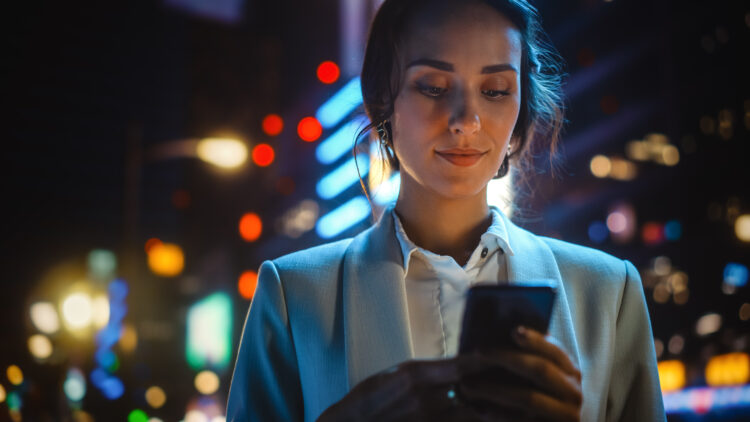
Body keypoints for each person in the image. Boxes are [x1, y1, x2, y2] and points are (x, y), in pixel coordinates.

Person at [226, 0, 666, 420]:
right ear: (383, 101)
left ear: (520, 109)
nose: (466, 120)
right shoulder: (293, 295)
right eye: (433, 87)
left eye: (495, 90)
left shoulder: (608, 292)